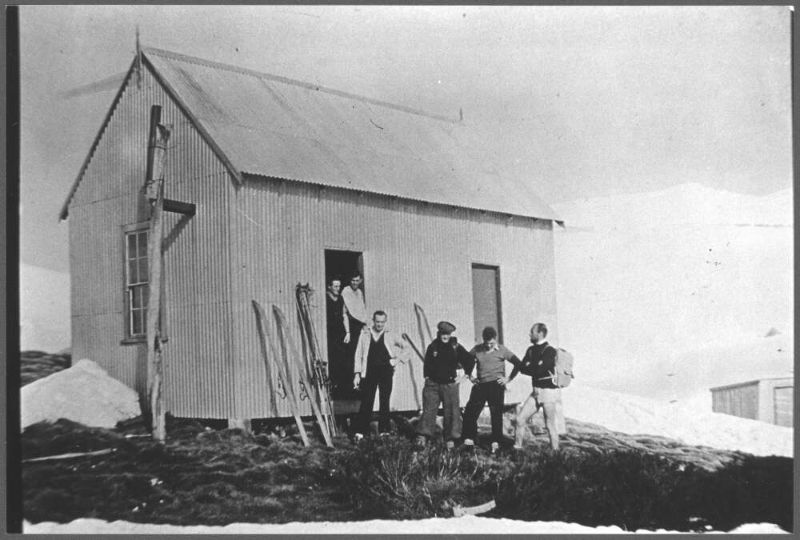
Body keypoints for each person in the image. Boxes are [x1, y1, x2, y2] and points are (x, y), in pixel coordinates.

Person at [415, 321, 475, 449]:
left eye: (447, 334)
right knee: (429, 410)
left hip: (449, 385)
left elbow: (469, 360)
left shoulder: (455, 346)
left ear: (450, 334)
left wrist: (465, 376)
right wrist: (427, 377)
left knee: (452, 412)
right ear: (439, 333)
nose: (445, 337)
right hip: (433, 385)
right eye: (443, 334)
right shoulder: (433, 346)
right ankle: (423, 436)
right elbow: (427, 364)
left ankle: (451, 439)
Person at [462, 326, 523, 453]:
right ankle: (470, 440)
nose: (489, 345)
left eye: (491, 343)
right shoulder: (477, 349)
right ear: (483, 340)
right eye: (487, 343)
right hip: (481, 385)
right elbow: (466, 361)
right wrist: (470, 376)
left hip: (496, 386)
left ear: (495, 339)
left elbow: (518, 363)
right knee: (470, 412)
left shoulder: (502, 350)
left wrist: (508, 379)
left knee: (496, 415)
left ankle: (496, 443)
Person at [352, 310, 407, 440]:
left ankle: (384, 431)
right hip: (369, 372)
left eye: (382, 322)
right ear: (373, 321)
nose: (379, 325)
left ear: (385, 322)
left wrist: (397, 359)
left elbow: (406, 348)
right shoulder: (365, 334)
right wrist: (357, 374)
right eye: (377, 322)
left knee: (384, 400)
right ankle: (360, 432)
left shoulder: (390, 334)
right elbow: (358, 354)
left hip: (386, 372)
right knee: (367, 401)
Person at [514, 323, 561, 451]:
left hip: (548, 392)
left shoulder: (550, 350)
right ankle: (517, 448)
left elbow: (538, 370)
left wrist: (531, 366)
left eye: (532, 332)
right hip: (536, 392)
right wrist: (535, 366)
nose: (530, 334)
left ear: (540, 333)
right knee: (520, 419)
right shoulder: (531, 350)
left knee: (550, 424)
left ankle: (555, 454)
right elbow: (523, 368)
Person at [325, 277, 351, 399]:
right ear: (329, 287)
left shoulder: (341, 299)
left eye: (339, 286)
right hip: (329, 332)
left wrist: (348, 332)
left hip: (339, 332)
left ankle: (341, 388)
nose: (337, 289)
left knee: (341, 359)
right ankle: (332, 386)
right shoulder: (325, 298)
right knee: (331, 358)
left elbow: (344, 314)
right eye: (335, 286)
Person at [342, 272, 367, 365]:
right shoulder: (346, 291)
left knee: (361, 352)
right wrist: (347, 332)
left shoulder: (359, 292)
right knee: (352, 353)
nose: (355, 283)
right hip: (350, 325)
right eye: (353, 280)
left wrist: (364, 324)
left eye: (357, 280)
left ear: (360, 281)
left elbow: (362, 310)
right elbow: (344, 314)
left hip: (360, 325)